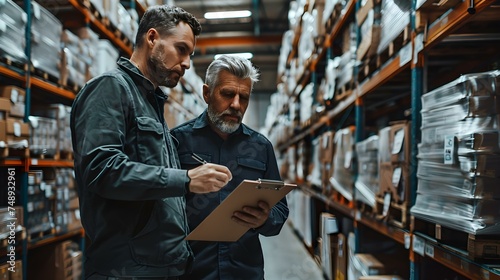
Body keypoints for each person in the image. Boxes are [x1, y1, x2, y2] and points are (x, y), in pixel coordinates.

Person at [70, 6, 232, 280]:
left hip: (164, 266)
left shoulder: (150, 103)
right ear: (152, 38)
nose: (187, 63)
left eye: (190, 54)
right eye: (181, 49)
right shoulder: (110, 88)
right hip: (127, 269)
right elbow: (102, 170)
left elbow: (154, 190)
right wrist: (185, 179)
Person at [171, 55, 289, 280]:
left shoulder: (261, 147)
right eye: (227, 94)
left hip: (243, 271)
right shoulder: (178, 141)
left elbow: (280, 212)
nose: (236, 105)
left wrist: (264, 219)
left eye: (243, 97)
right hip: (191, 271)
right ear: (207, 93)